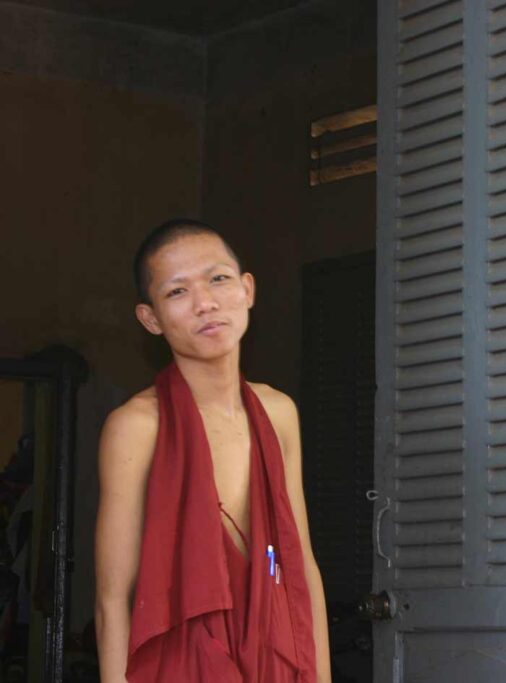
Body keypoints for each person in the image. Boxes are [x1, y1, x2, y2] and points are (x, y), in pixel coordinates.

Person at [94, 220, 331, 682]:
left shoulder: (278, 412)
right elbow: (112, 598)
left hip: (273, 661)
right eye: (177, 292)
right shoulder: (137, 426)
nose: (206, 303)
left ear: (247, 290)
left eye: (218, 279)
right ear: (151, 318)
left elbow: (301, 566)